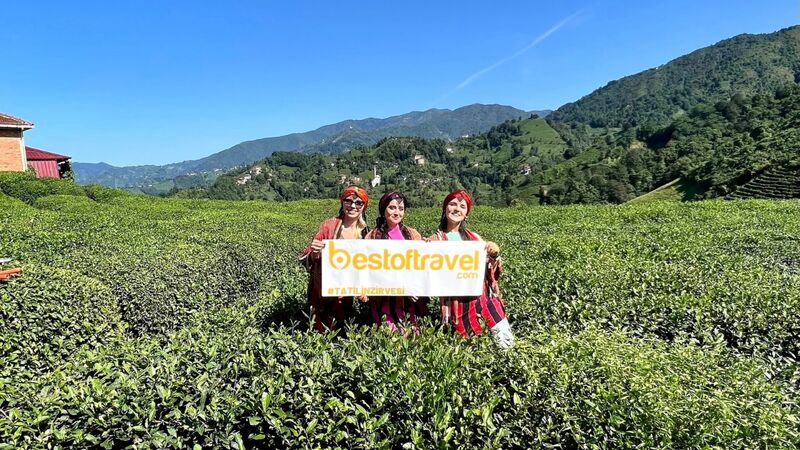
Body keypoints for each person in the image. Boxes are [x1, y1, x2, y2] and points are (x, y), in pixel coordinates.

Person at [428, 190, 515, 348]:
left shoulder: (475, 239)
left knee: (505, 343)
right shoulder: (434, 240)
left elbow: (491, 269)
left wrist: (494, 254)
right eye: (453, 204)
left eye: (462, 206)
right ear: (445, 208)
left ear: (466, 213)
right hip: (458, 304)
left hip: (483, 298)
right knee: (472, 349)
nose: (457, 209)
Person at [299, 186, 369, 333]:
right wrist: (314, 251)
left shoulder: (365, 233)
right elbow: (307, 256)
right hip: (323, 289)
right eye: (348, 201)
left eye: (358, 203)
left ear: (363, 207)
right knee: (320, 331)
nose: (353, 206)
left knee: (342, 329)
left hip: (347, 293)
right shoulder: (328, 226)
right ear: (342, 203)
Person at [364, 191, 426, 334]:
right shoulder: (372, 236)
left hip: (410, 301)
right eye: (392, 208)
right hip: (383, 300)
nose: (397, 212)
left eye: (401, 209)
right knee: (390, 337)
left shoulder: (412, 234)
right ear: (383, 210)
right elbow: (367, 268)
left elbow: (422, 265)